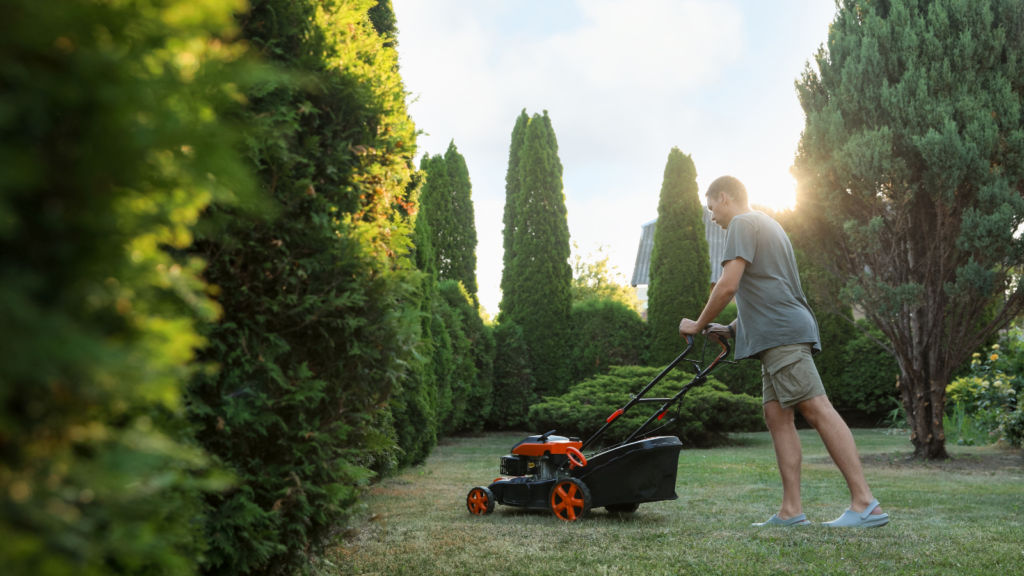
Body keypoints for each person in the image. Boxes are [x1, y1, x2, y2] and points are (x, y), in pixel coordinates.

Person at [678, 175, 889, 528]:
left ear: (725, 197)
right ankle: (791, 511)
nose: (712, 217)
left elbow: (729, 286)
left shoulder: (742, 223)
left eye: (712, 208)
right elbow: (768, 289)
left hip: (781, 337)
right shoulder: (767, 224)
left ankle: (865, 503)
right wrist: (730, 329)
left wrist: (698, 324)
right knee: (777, 417)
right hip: (776, 335)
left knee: (818, 409)